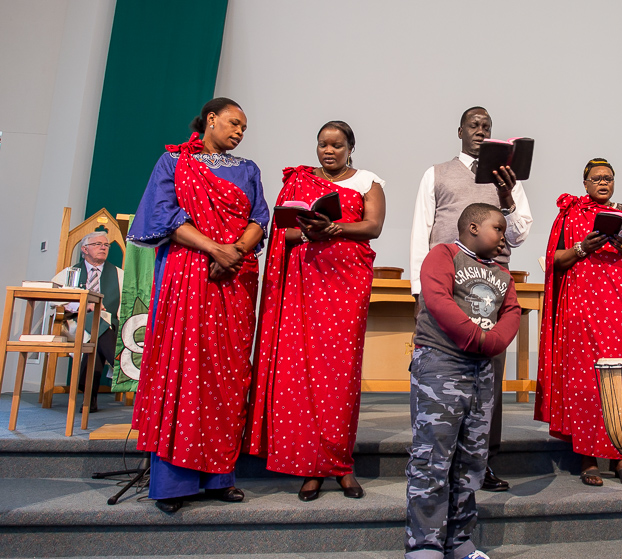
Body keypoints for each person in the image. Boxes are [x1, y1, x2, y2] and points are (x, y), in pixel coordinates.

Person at [128, 97, 269, 514]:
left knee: (226, 375)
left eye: (244, 127)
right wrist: (214, 249)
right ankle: (173, 482)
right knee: (182, 369)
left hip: (233, 281)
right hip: (188, 273)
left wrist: (235, 254)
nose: (239, 132)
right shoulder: (173, 162)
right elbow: (163, 216)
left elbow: (259, 217)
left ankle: (218, 477)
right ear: (211, 119)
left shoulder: (248, 170)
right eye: (233, 123)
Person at [245, 121, 385, 501]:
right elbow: (282, 234)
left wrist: (334, 228)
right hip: (306, 284)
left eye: (337, 145)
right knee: (301, 375)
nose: (329, 151)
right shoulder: (299, 183)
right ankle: (310, 468)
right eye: (323, 144)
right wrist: (311, 232)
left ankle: (340, 465)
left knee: (338, 377)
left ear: (351, 147)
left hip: (346, 283)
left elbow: (373, 226)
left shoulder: (368, 181)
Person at [409, 106, 533, 492]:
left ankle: (484, 462)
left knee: (489, 377)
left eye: (487, 126)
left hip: (489, 288)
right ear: (460, 130)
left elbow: (519, 235)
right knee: (442, 372)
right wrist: (418, 290)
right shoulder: (436, 173)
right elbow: (421, 231)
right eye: (474, 125)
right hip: (446, 284)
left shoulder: (506, 179)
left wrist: (507, 197)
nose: (480, 130)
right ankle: (437, 460)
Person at [405, 203, 520, 559]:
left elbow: (512, 311)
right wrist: (477, 339)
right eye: (497, 228)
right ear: (472, 226)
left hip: (481, 370)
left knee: (471, 459)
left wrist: (495, 342)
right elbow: (438, 300)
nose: (503, 235)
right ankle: (423, 550)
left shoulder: (501, 272)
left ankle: (459, 542)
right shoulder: (443, 255)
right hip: (442, 364)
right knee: (433, 459)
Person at [534, 158, 622, 486]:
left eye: (609, 178)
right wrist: (581, 247)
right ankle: (587, 457)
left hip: (621, 305)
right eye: (597, 178)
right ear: (585, 183)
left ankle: (617, 456)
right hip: (583, 305)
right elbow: (555, 259)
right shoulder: (570, 213)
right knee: (586, 379)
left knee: (618, 377)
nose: (604, 183)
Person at [51, 231, 124, 411]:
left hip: (109, 323)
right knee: (96, 325)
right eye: (98, 244)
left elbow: (126, 304)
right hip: (76, 324)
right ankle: (123, 366)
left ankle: (88, 395)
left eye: (106, 245)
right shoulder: (69, 273)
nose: (103, 248)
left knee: (98, 330)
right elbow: (55, 298)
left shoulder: (118, 274)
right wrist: (84, 305)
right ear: (85, 249)